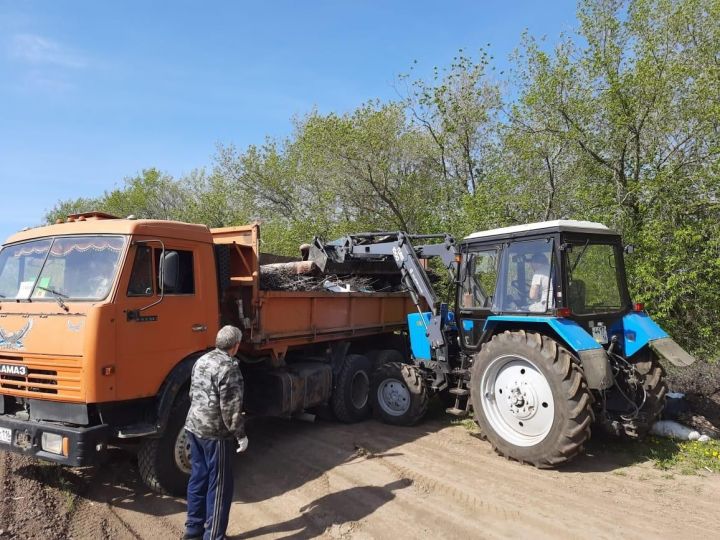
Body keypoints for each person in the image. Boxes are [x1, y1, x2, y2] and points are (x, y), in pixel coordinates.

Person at [184, 325, 248, 540]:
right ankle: (213, 537)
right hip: (215, 434)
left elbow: (192, 393)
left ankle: (193, 531)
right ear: (236, 345)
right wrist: (240, 435)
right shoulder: (229, 367)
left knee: (198, 478)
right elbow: (231, 407)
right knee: (220, 486)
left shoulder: (202, 360)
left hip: (193, 427)